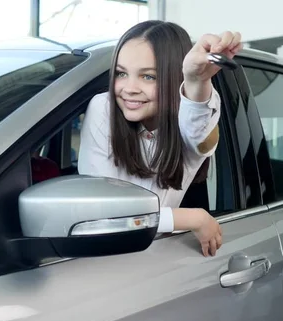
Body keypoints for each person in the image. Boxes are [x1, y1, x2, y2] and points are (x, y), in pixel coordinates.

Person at [77, 20, 243, 257]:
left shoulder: (193, 123)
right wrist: (191, 218)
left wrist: (196, 80)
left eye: (148, 77)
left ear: (175, 78)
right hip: (108, 259)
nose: (129, 88)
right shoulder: (104, 108)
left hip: (159, 263)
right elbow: (102, 213)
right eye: (122, 73)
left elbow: (198, 126)